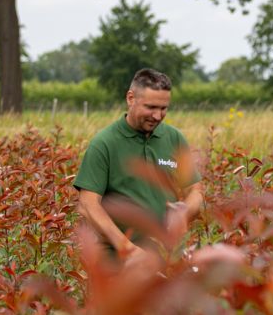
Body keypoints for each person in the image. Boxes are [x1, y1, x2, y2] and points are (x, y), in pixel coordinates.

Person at [74, 68, 203, 266]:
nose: (157, 116)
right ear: (130, 98)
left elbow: (195, 190)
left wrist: (184, 212)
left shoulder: (174, 138)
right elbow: (87, 205)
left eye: (164, 108)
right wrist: (127, 249)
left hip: (166, 260)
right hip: (117, 265)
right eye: (151, 107)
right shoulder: (105, 143)